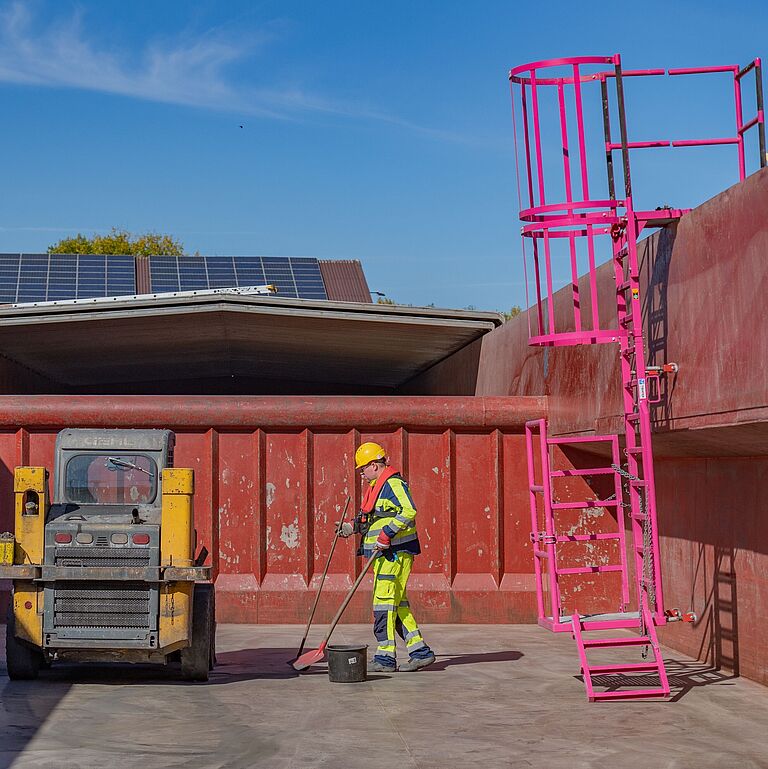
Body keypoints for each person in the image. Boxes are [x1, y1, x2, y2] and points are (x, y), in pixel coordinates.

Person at [338, 442, 435, 672]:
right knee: (397, 604)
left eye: (362, 468)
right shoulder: (377, 487)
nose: (361, 473)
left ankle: (385, 658)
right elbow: (374, 517)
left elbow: (409, 510)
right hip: (385, 555)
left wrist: (387, 534)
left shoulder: (393, 484)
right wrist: (351, 527)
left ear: (374, 465)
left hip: (395, 554)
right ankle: (420, 651)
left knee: (383, 604)